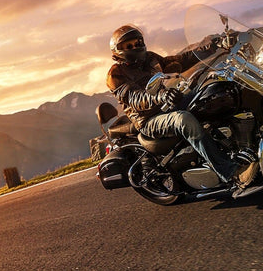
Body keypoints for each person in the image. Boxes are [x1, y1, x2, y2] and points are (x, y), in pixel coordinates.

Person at [105, 24, 245, 190]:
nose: (135, 47)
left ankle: (244, 148)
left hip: (171, 103)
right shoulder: (115, 74)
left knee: (215, 94)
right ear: (118, 51)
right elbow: (135, 98)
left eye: (137, 42)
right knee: (185, 120)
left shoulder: (150, 58)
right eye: (128, 46)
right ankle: (231, 172)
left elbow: (180, 61)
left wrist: (214, 46)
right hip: (149, 119)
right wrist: (161, 96)